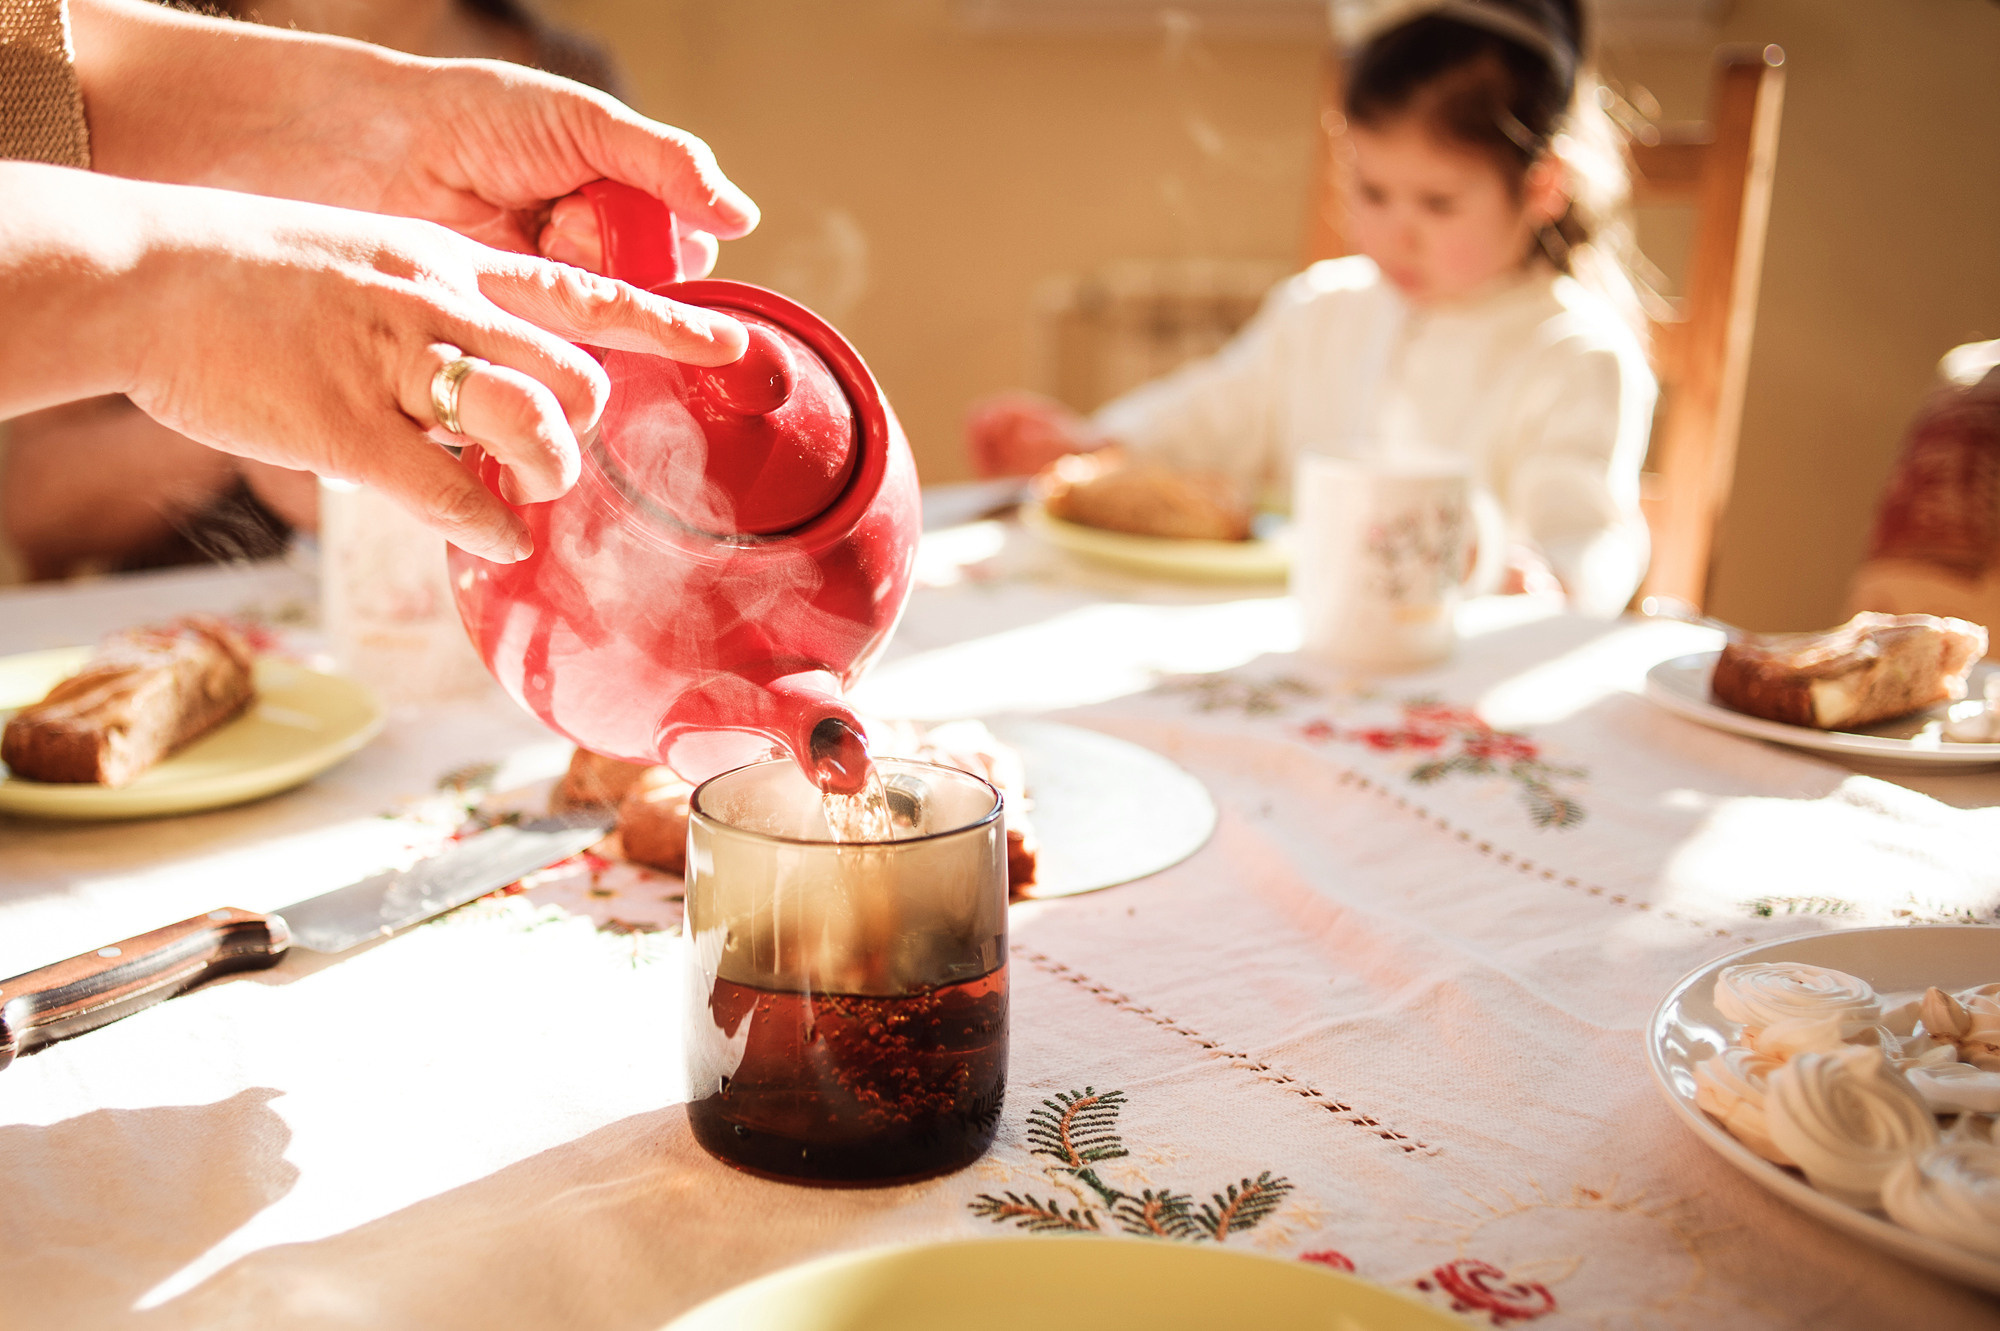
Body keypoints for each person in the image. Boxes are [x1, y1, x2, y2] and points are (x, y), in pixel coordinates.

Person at [0, 0, 755, 569]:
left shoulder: (551, 70)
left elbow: (22, 71)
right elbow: (29, 501)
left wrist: (364, 129)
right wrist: (203, 313)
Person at [968, 0, 1655, 617]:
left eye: (1437, 203)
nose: (1395, 232)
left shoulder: (1576, 353)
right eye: (1372, 191)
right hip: (1291, 641)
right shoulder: (1325, 307)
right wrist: (1093, 445)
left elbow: (1587, 542)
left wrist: (1540, 577)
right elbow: (1216, 412)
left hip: (1454, 675)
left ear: (1543, 188)